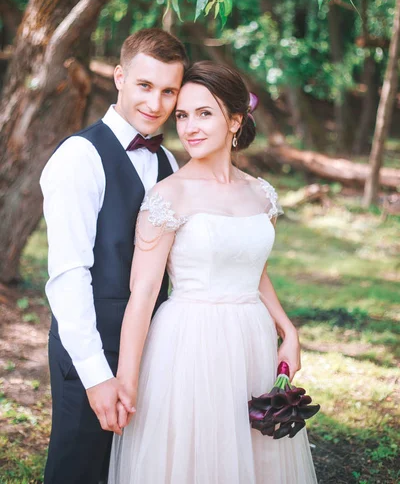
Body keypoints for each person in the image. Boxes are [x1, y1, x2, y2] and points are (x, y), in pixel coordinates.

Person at [108, 61, 318, 483]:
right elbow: (144, 292)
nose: (190, 127)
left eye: (204, 113)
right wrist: (125, 382)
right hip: (188, 342)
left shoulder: (261, 193)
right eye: (182, 115)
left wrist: (288, 330)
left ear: (236, 120)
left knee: (251, 457)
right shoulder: (168, 196)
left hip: (251, 339)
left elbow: (252, 269)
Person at [40, 28, 188, 484]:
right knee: (78, 471)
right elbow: (68, 275)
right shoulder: (79, 157)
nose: (156, 103)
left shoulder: (172, 165)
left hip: (152, 351)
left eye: (169, 91)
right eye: (145, 85)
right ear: (120, 77)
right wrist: (95, 375)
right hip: (92, 348)